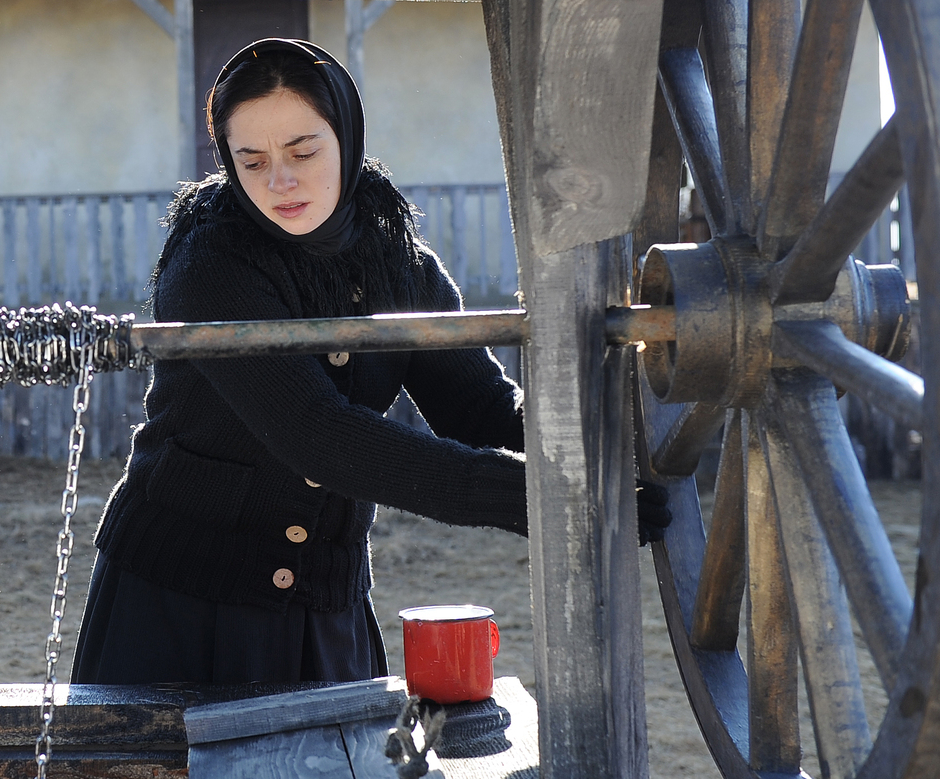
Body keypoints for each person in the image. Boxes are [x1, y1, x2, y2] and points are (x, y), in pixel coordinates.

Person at [73, 39, 664, 685]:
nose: (280, 181)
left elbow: (480, 408)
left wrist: (605, 462)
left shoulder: (395, 259)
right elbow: (317, 434)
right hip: (180, 603)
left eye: (303, 152)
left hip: (321, 603)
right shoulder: (210, 263)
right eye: (252, 161)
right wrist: (543, 498)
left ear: (346, 139)